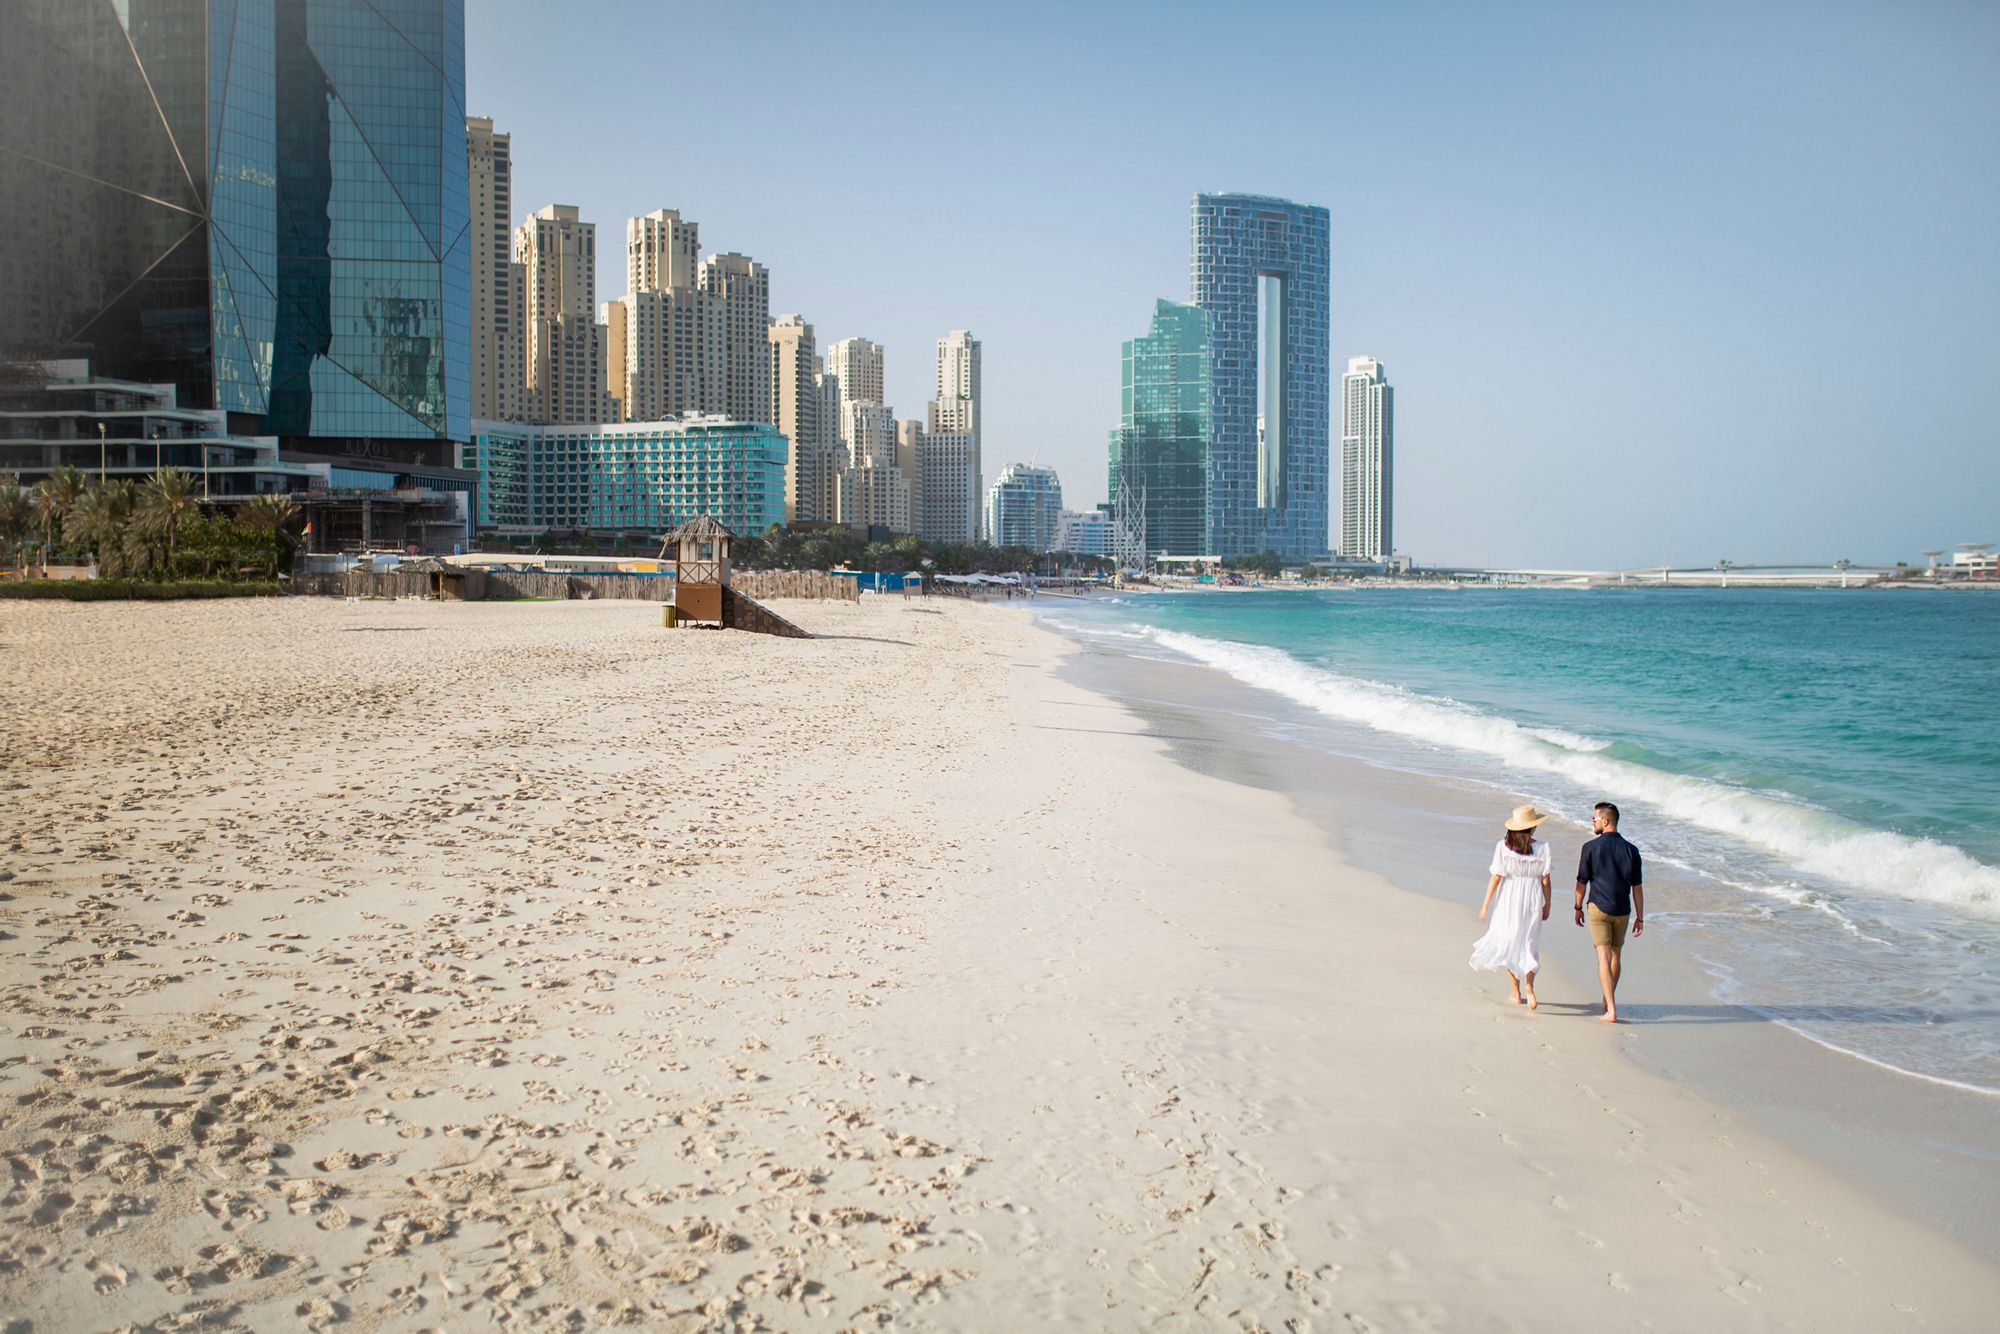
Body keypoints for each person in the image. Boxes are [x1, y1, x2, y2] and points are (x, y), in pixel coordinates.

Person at [1469, 805, 1554, 1009]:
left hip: (1509, 898)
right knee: (1529, 943)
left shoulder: (1503, 846)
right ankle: (1530, 988)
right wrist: (1547, 904)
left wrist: (1485, 905)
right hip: (1532, 897)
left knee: (1510, 942)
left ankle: (1516, 992)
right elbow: (1545, 881)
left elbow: (1496, 877)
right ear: (1533, 827)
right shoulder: (1543, 847)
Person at [1574, 801, 1644, 1023]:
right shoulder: (1632, 850)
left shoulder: (1590, 847)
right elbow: (1637, 888)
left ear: (1605, 821)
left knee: (1603, 956)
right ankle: (1608, 999)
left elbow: (1581, 882)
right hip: (1622, 910)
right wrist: (1640, 917)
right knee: (1616, 955)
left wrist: (1577, 907)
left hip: (1598, 908)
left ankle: (1610, 1008)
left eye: (1594, 819)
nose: (1593, 822)